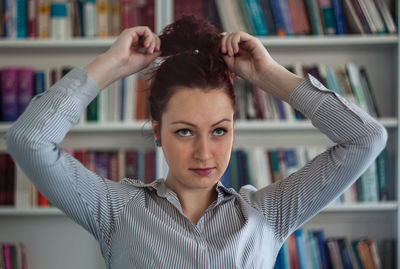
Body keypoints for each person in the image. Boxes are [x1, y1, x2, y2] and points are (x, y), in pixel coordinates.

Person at [6, 15, 387, 268]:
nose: (205, 153)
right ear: (156, 130)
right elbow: (28, 140)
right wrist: (111, 66)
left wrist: (269, 75)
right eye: (184, 131)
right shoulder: (116, 210)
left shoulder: (267, 213)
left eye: (219, 130)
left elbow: (366, 138)